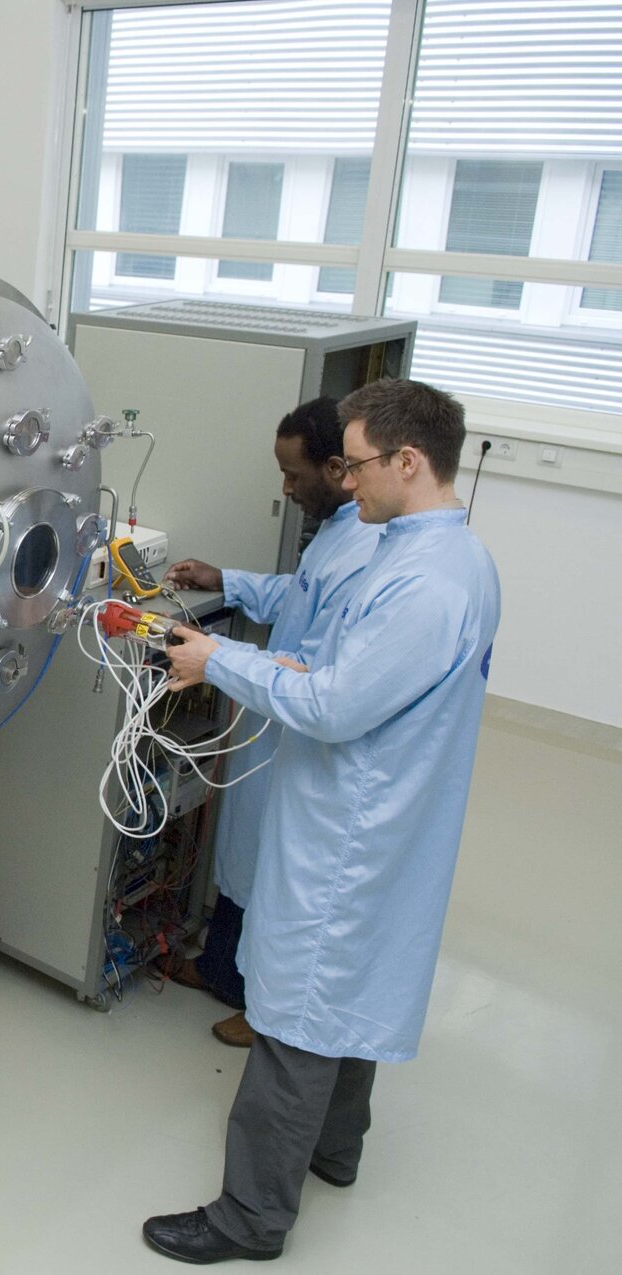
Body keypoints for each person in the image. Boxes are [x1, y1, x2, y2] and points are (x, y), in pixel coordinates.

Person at [141, 379, 501, 1264]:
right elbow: (324, 630)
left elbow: (335, 703)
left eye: (363, 463)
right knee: (353, 992)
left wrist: (216, 657)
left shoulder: (426, 583)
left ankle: (250, 1217)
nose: (347, 481)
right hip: (376, 815)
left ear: (409, 462)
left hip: (356, 826)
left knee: (301, 1016)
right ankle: (335, 1152)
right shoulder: (424, 552)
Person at [162, 398, 383, 1049]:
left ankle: (260, 1004)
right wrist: (226, 580)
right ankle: (222, 969)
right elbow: (298, 596)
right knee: (243, 849)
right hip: (272, 724)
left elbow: (315, 673)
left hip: (299, 728)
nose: (286, 490)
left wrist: (217, 657)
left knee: (271, 869)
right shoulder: (340, 530)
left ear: (339, 468)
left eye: (294, 474)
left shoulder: (366, 547)